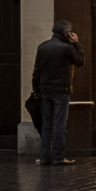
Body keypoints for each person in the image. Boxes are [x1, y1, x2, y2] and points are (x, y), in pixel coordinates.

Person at [32, 20, 84, 166]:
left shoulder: (43, 47)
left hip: (45, 90)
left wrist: (36, 90)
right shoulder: (67, 48)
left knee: (46, 124)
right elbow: (80, 61)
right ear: (66, 33)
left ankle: (44, 157)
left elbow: (36, 71)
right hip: (61, 90)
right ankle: (58, 157)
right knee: (59, 125)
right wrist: (76, 43)